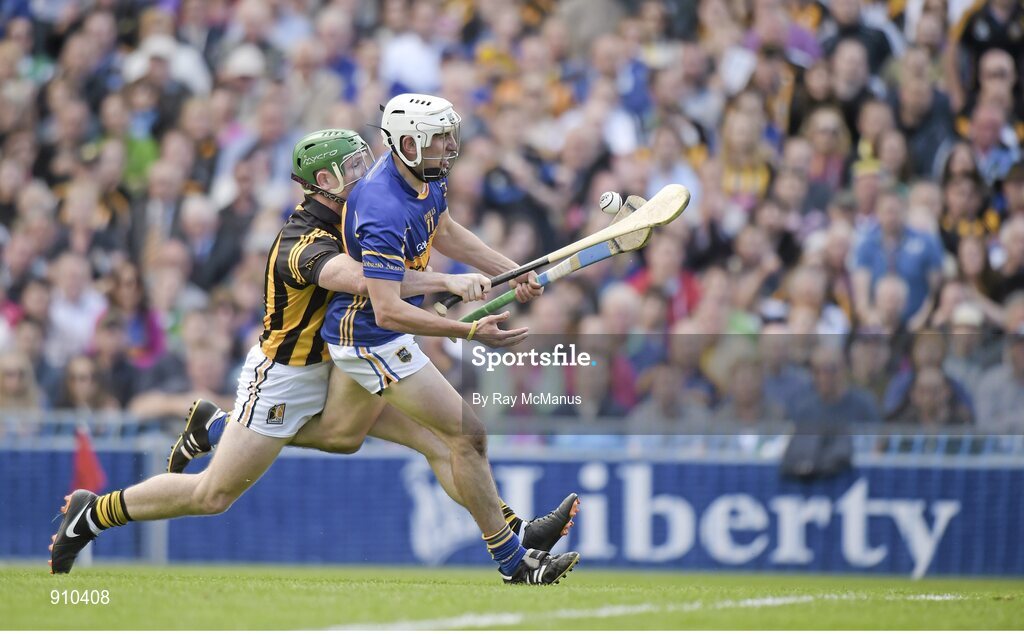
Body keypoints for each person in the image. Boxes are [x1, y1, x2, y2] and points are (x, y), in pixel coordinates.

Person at [49, 128, 576, 580]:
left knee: (442, 438)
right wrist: (450, 284)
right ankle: (92, 513)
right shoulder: (301, 243)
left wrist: (513, 269)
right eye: (352, 167)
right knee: (211, 495)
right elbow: (372, 283)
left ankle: (512, 538)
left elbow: (439, 231)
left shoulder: (363, 210)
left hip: (345, 357)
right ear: (322, 182)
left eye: (363, 160)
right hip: (286, 375)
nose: (365, 171)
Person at [317, 93, 579, 585]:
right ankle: (514, 560)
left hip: (374, 336)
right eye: (438, 137)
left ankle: (223, 429)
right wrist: (470, 331)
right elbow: (389, 309)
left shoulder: (425, 181)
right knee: (467, 435)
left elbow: (448, 233)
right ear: (407, 142)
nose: (449, 145)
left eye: (449, 134)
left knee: (340, 434)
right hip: (370, 341)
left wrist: (512, 271)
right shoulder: (379, 205)